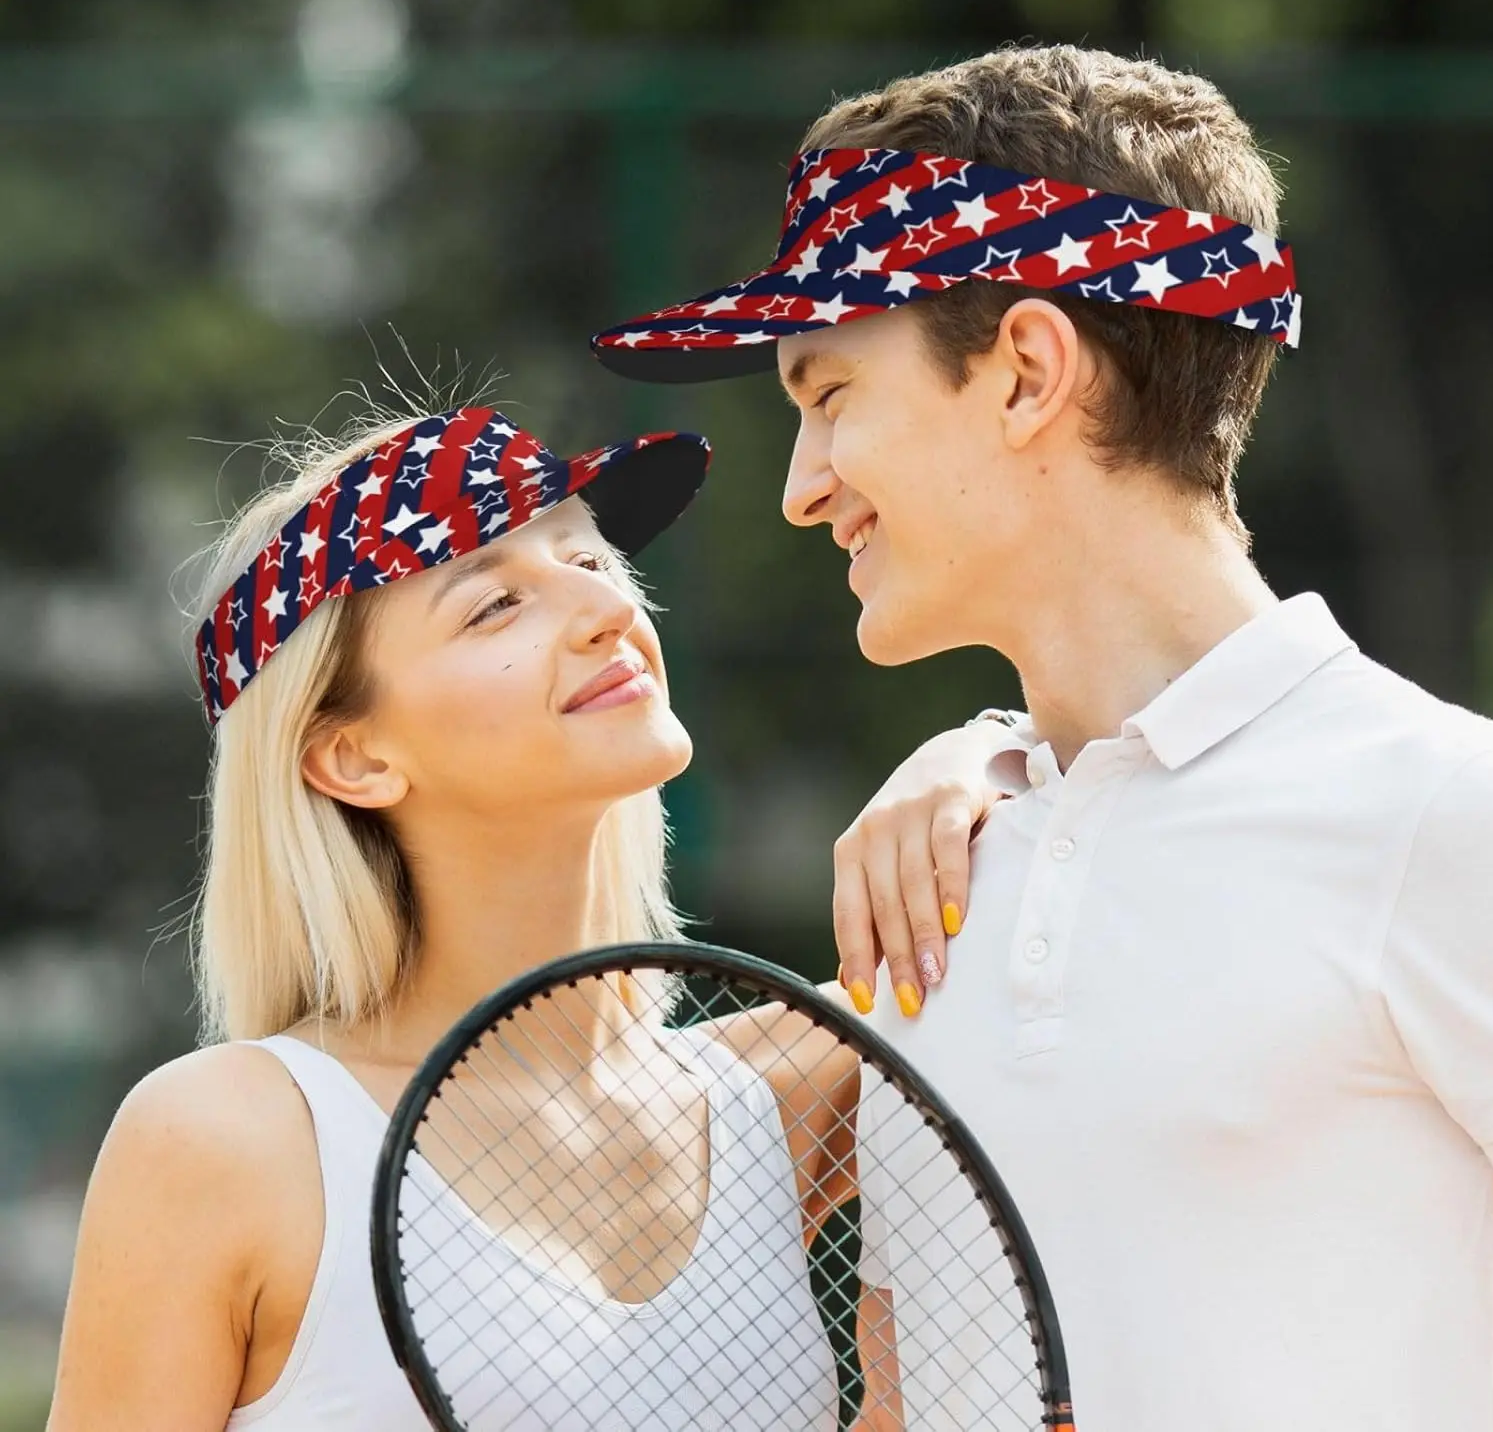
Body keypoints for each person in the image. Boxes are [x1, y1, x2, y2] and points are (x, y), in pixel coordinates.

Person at [592, 44, 1493, 1430]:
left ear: (1024, 371)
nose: (801, 489)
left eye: (828, 396)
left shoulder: (1442, 817)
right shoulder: (945, 881)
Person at [45, 405, 1007, 1431]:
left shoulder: (805, 1084)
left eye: (591, 562)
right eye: (494, 606)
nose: (604, 612)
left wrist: (980, 751)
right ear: (354, 758)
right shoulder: (228, 1140)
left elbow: (1127, 829)